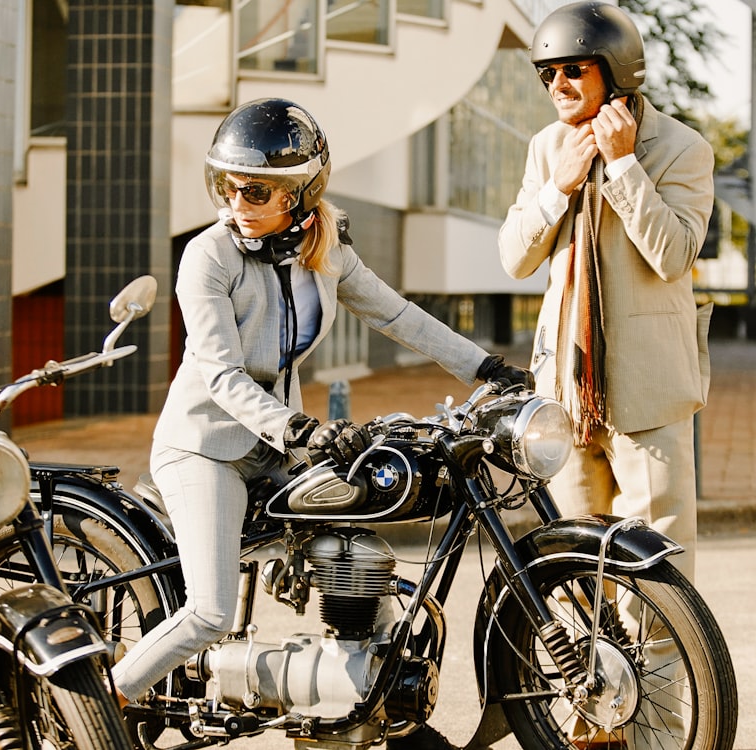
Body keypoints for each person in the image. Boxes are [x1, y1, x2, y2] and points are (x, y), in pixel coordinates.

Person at [110, 97, 533, 706]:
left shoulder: (324, 249)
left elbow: (397, 315)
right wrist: (301, 431)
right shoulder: (207, 257)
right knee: (209, 613)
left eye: (255, 193)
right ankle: (98, 698)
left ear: (299, 194)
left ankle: (382, 704)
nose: (237, 205)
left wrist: (486, 368)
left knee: (363, 553)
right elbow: (221, 375)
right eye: (227, 189)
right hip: (207, 448)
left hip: (278, 443)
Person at [498, 1, 714, 582]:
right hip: (567, 394)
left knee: (655, 570)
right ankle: (581, 675)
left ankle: (664, 677)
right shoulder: (547, 148)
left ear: (616, 69)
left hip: (650, 391)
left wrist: (623, 166)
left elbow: (673, 255)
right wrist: (559, 188)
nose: (558, 85)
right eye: (547, 74)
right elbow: (515, 257)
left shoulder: (683, 149)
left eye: (573, 69)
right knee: (572, 562)